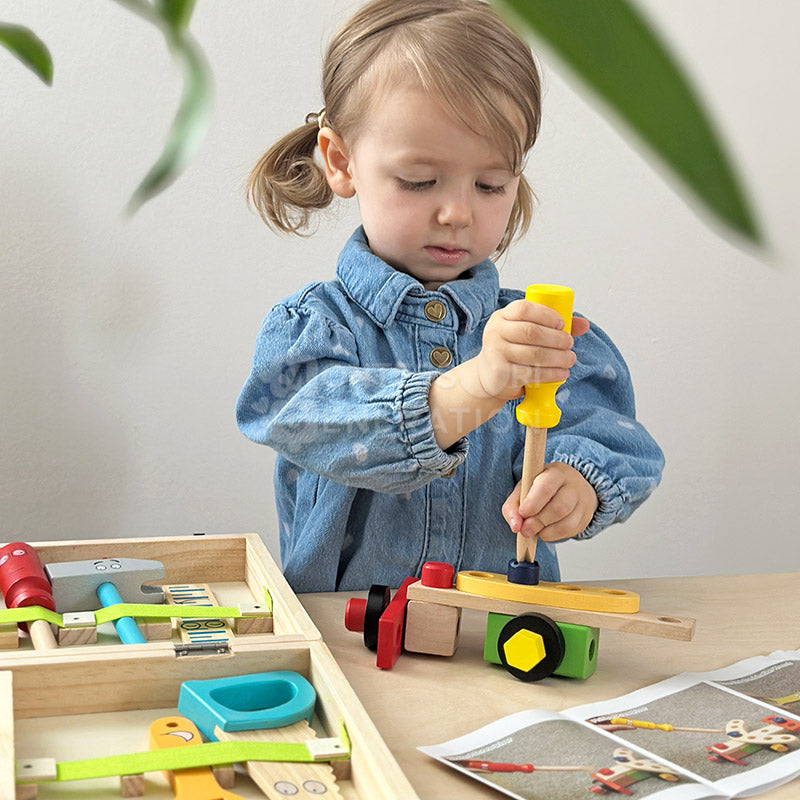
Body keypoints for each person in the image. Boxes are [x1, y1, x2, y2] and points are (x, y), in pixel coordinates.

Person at [236, 0, 664, 593]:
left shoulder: (535, 333)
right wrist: (478, 385)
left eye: (491, 184)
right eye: (419, 180)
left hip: (497, 638)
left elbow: (616, 438)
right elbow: (313, 422)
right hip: (346, 636)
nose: (457, 212)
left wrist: (578, 483)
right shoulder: (313, 329)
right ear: (341, 161)